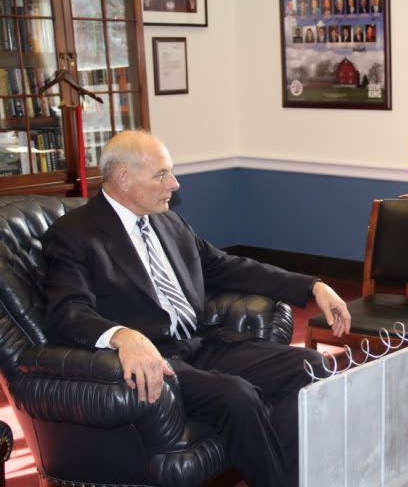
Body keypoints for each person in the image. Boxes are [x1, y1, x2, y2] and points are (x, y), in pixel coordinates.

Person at [41, 130, 352, 487]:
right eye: (161, 174)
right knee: (237, 396)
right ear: (123, 178)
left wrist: (313, 286)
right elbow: (67, 311)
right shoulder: (75, 234)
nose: (174, 184)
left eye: (171, 172)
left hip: (201, 342)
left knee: (310, 367)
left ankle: (287, 476)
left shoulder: (167, 220)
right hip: (157, 359)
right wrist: (123, 337)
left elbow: (225, 265)